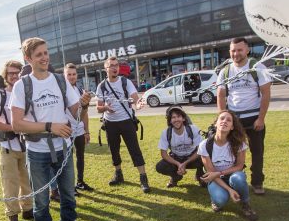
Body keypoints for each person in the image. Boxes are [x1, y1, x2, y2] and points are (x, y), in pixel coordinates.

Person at [11, 37, 92, 221]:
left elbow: (76, 112)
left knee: (68, 195)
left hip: (63, 149)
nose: (45, 57)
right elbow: (17, 124)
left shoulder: (60, 81)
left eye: (46, 53)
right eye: (39, 54)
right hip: (37, 151)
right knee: (41, 200)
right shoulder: (22, 85)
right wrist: (50, 126)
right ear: (28, 58)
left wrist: (84, 104)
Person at [217, 37, 271, 195]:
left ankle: (257, 182)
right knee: (231, 151)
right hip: (235, 119)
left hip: (254, 117)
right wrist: (223, 117)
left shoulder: (257, 67)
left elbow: (266, 94)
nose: (236, 53)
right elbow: (220, 96)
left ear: (247, 50)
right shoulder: (225, 71)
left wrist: (261, 118)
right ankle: (233, 180)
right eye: (233, 50)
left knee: (257, 151)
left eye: (239, 50)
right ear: (229, 52)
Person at [0, 60, 33, 221]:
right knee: (10, 182)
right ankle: (12, 214)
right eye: (11, 73)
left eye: (17, 72)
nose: (14, 76)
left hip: (27, 145)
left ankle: (28, 208)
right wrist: (13, 128)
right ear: (5, 75)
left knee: (27, 180)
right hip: (8, 146)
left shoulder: (26, 94)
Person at [96, 56, 150, 192]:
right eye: (111, 66)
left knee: (134, 150)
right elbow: (98, 108)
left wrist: (139, 105)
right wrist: (105, 108)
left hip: (126, 121)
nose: (115, 68)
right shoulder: (101, 86)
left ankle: (143, 178)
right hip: (110, 123)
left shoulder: (126, 82)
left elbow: (136, 101)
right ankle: (118, 174)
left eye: (116, 65)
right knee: (114, 150)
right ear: (105, 69)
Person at [197, 110, 258, 221]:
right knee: (220, 200)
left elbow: (239, 166)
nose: (225, 121)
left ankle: (245, 203)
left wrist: (220, 173)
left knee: (238, 178)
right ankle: (216, 198)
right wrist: (229, 190)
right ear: (216, 123)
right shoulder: (204, 145)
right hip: (214, 178)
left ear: (232, 127)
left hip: (231, 175)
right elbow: (211, 174)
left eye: (229, 120)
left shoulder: (239, 143)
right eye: (222, 118)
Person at [155, 106, 204, 188]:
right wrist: (178, 164)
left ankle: (200, 176)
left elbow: (200, 149)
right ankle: (175, 177)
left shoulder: (193, 129)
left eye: (178, 116)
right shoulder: (166, 133)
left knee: (206, 157)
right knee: (160, 166)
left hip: (192, 157)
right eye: (173, 117)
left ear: (184, 118)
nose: (176, 119)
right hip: (176, 158)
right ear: (170, 121)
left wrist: (185, 163)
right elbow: (163, 154)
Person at [64, 63, 93, 191]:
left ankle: (80, 182)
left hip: (80, 131)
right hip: (67, 132)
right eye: (69, 74)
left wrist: (87, 131)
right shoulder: (62, 92)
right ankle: (70, 187)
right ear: (64, 76)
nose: (71, 77)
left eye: (74, 74)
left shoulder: (80, 91)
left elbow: (85, 114)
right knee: (67, 161)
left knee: (80, 157)